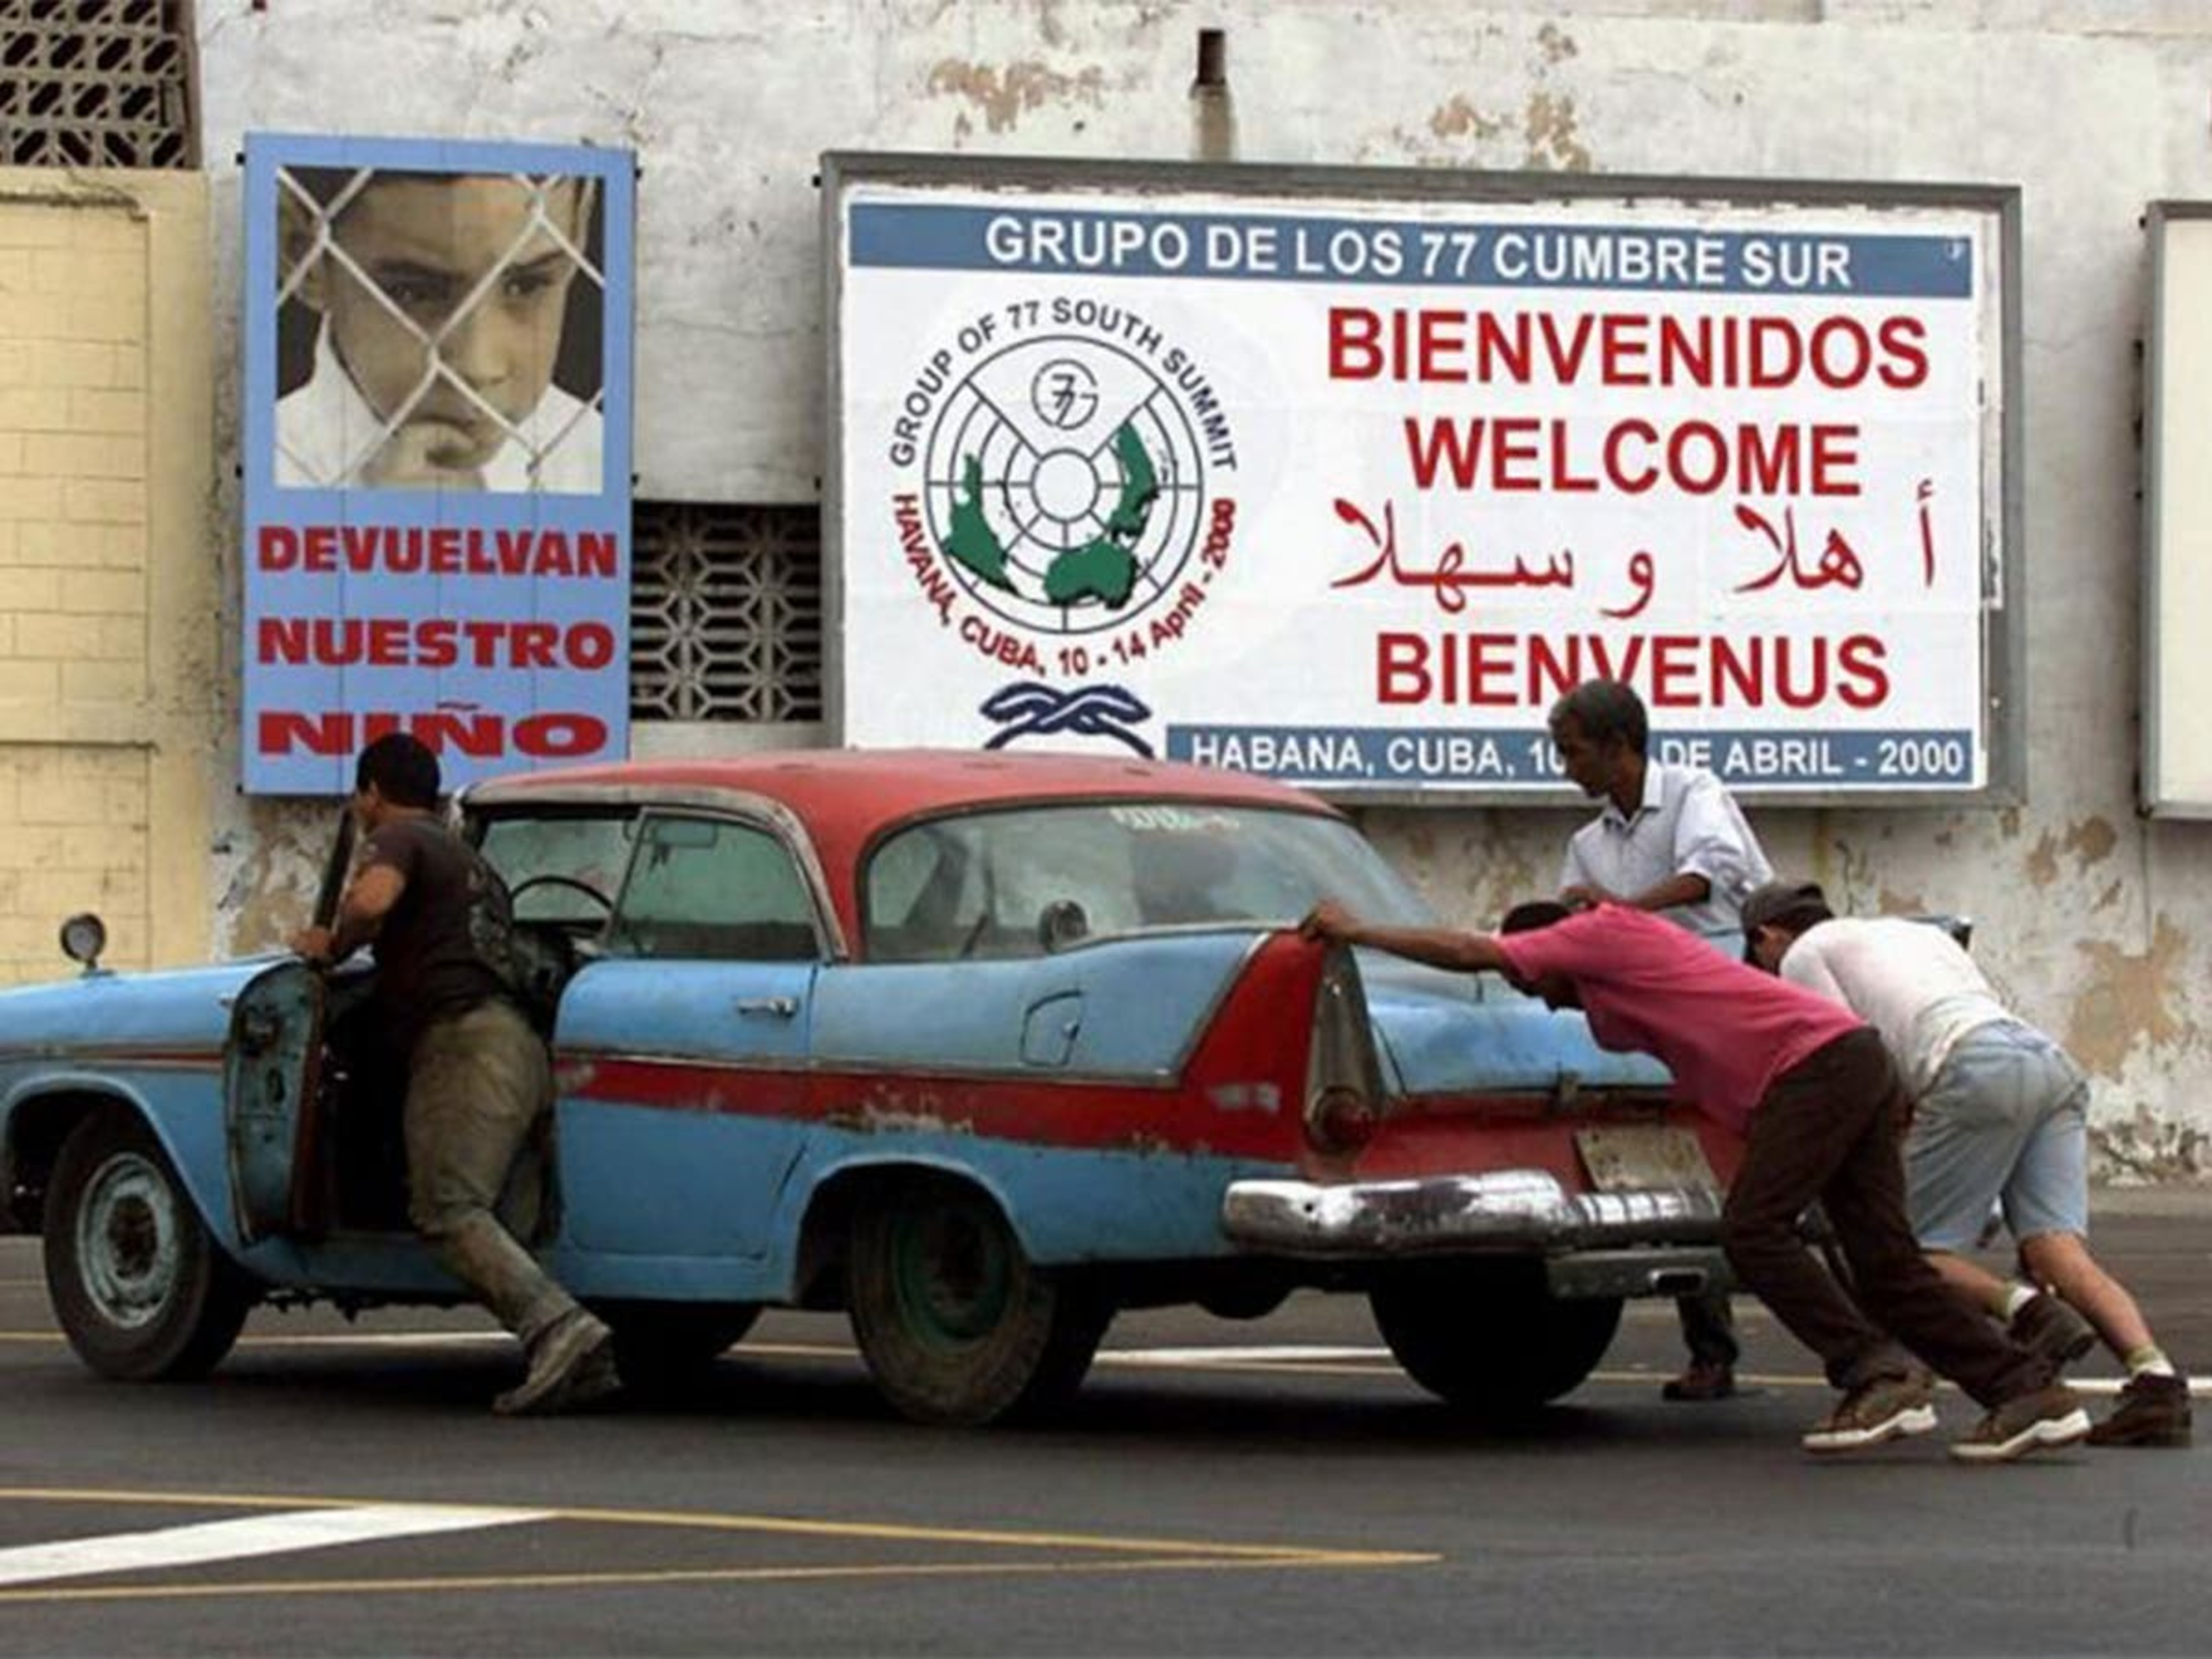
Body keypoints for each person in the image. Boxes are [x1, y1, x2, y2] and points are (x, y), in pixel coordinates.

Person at [1300, 895, 2091, 1462]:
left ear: (1552, 945)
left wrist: (1358, 931)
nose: (1535, 996)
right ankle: (2027, 1392)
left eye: (1531, 979)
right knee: (1885, 1262)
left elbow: (1476, 951)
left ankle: (1876, 1371)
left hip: (1818, 1069)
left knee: (1753, 1230)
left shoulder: (1597, 934)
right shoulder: (1622, 964)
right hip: (1846, 1064)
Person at [1741, 879, 2192, 1448]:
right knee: (2056, 1249)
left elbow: (1848, 1054)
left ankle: (2028, 1311)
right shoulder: (1915, 935)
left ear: (1768, 936)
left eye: (1757, 958)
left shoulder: (1803, 955)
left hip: (1971, 1068)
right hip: (2044, 1061)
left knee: (1903, 1256)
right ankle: (2155, 1383)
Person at [289, 732, 618, 1415]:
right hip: (523, 1046)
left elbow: (373, 901)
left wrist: (330, 942)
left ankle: (560, 1329)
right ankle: (569, 1356)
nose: (359, 809)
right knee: (511, 1221)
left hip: (463, 1043)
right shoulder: (472, 862)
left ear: (372, 793)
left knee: (446, 1208)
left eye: (359, 797)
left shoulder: (399, 838)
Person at [1550, 677, 1773, 1403]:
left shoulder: (1692, 792)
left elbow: (1707, 876)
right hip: (1656, 1029)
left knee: (1767, 1169)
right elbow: (1574, 927)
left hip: (1734, 1007)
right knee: (1683, 1173)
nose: (1565, 769)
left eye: (1573, 752)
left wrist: (1622, 914)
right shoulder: (1586, 844)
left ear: (1619, 745)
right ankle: (1712, 1350)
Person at [275, 167, 604, 492]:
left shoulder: (597, 455)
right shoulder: (269, 466)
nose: (478, 368)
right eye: (415, 293)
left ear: (578, 227)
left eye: (526, 285)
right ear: (304, 258)